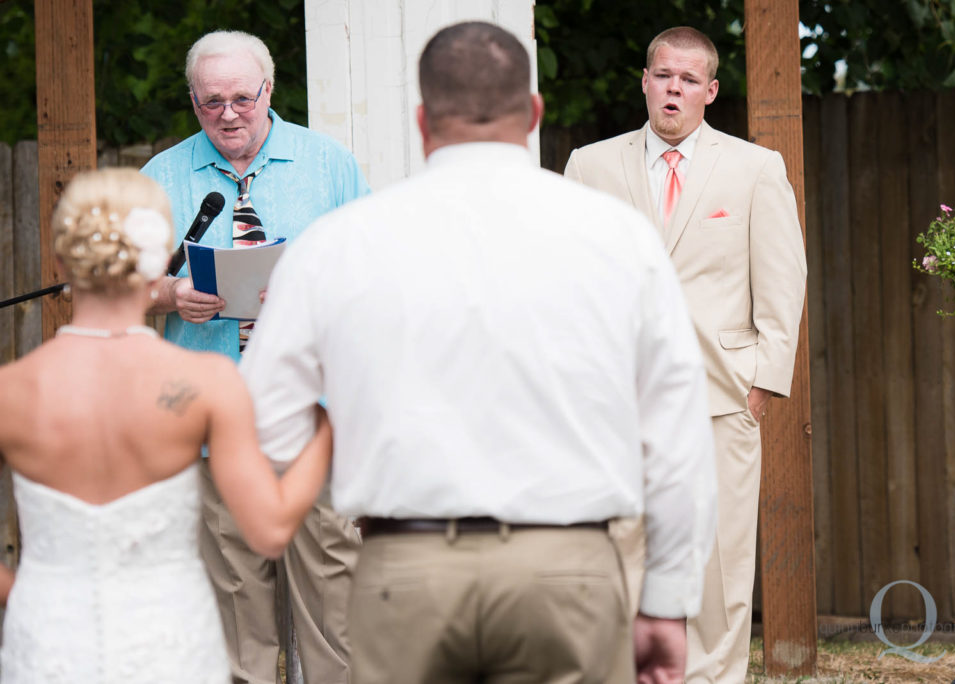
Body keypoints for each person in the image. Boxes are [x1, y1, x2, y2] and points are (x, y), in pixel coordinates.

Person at [239, 20, 717, 684]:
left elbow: (265, 420)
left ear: (421, 119)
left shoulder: (336, 245)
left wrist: (351, 450)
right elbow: (678, 433)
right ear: (535, 115)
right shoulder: (620, 239)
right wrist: (666, 600)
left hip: (404, 572)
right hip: (569, 572)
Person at [0, 168, 332, 683]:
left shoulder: (10, 392)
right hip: (170, 643)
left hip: (46, 640)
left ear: (62, 261)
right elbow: (268, 529)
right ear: (161, 265)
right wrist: (326, 432)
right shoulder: (207, 383)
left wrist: (26, 594)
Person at [563, 26, 808, 684]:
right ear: (645, 81)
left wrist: (764, 381)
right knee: (620, 549)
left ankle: (713, 678)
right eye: (663, 75)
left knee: (719, 559)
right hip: (618, 398)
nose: (674, 89)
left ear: (711, 91)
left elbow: (784, 281)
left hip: (724, 396)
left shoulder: (754, 169)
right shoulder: (590, 167)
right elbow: (569, 281)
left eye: (689, 80)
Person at [141, 30, 369, 684]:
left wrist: (310, 290)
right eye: (211, 102)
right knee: (237, 626)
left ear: (269, 91)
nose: (229, 114)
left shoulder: (328, 165)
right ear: (192, 101)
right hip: (213, 428)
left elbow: (378, 280)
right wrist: (170, 294)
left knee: (337, 622)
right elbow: (119, 289)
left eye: (243, 97)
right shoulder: (162, 177)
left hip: (314, 422)